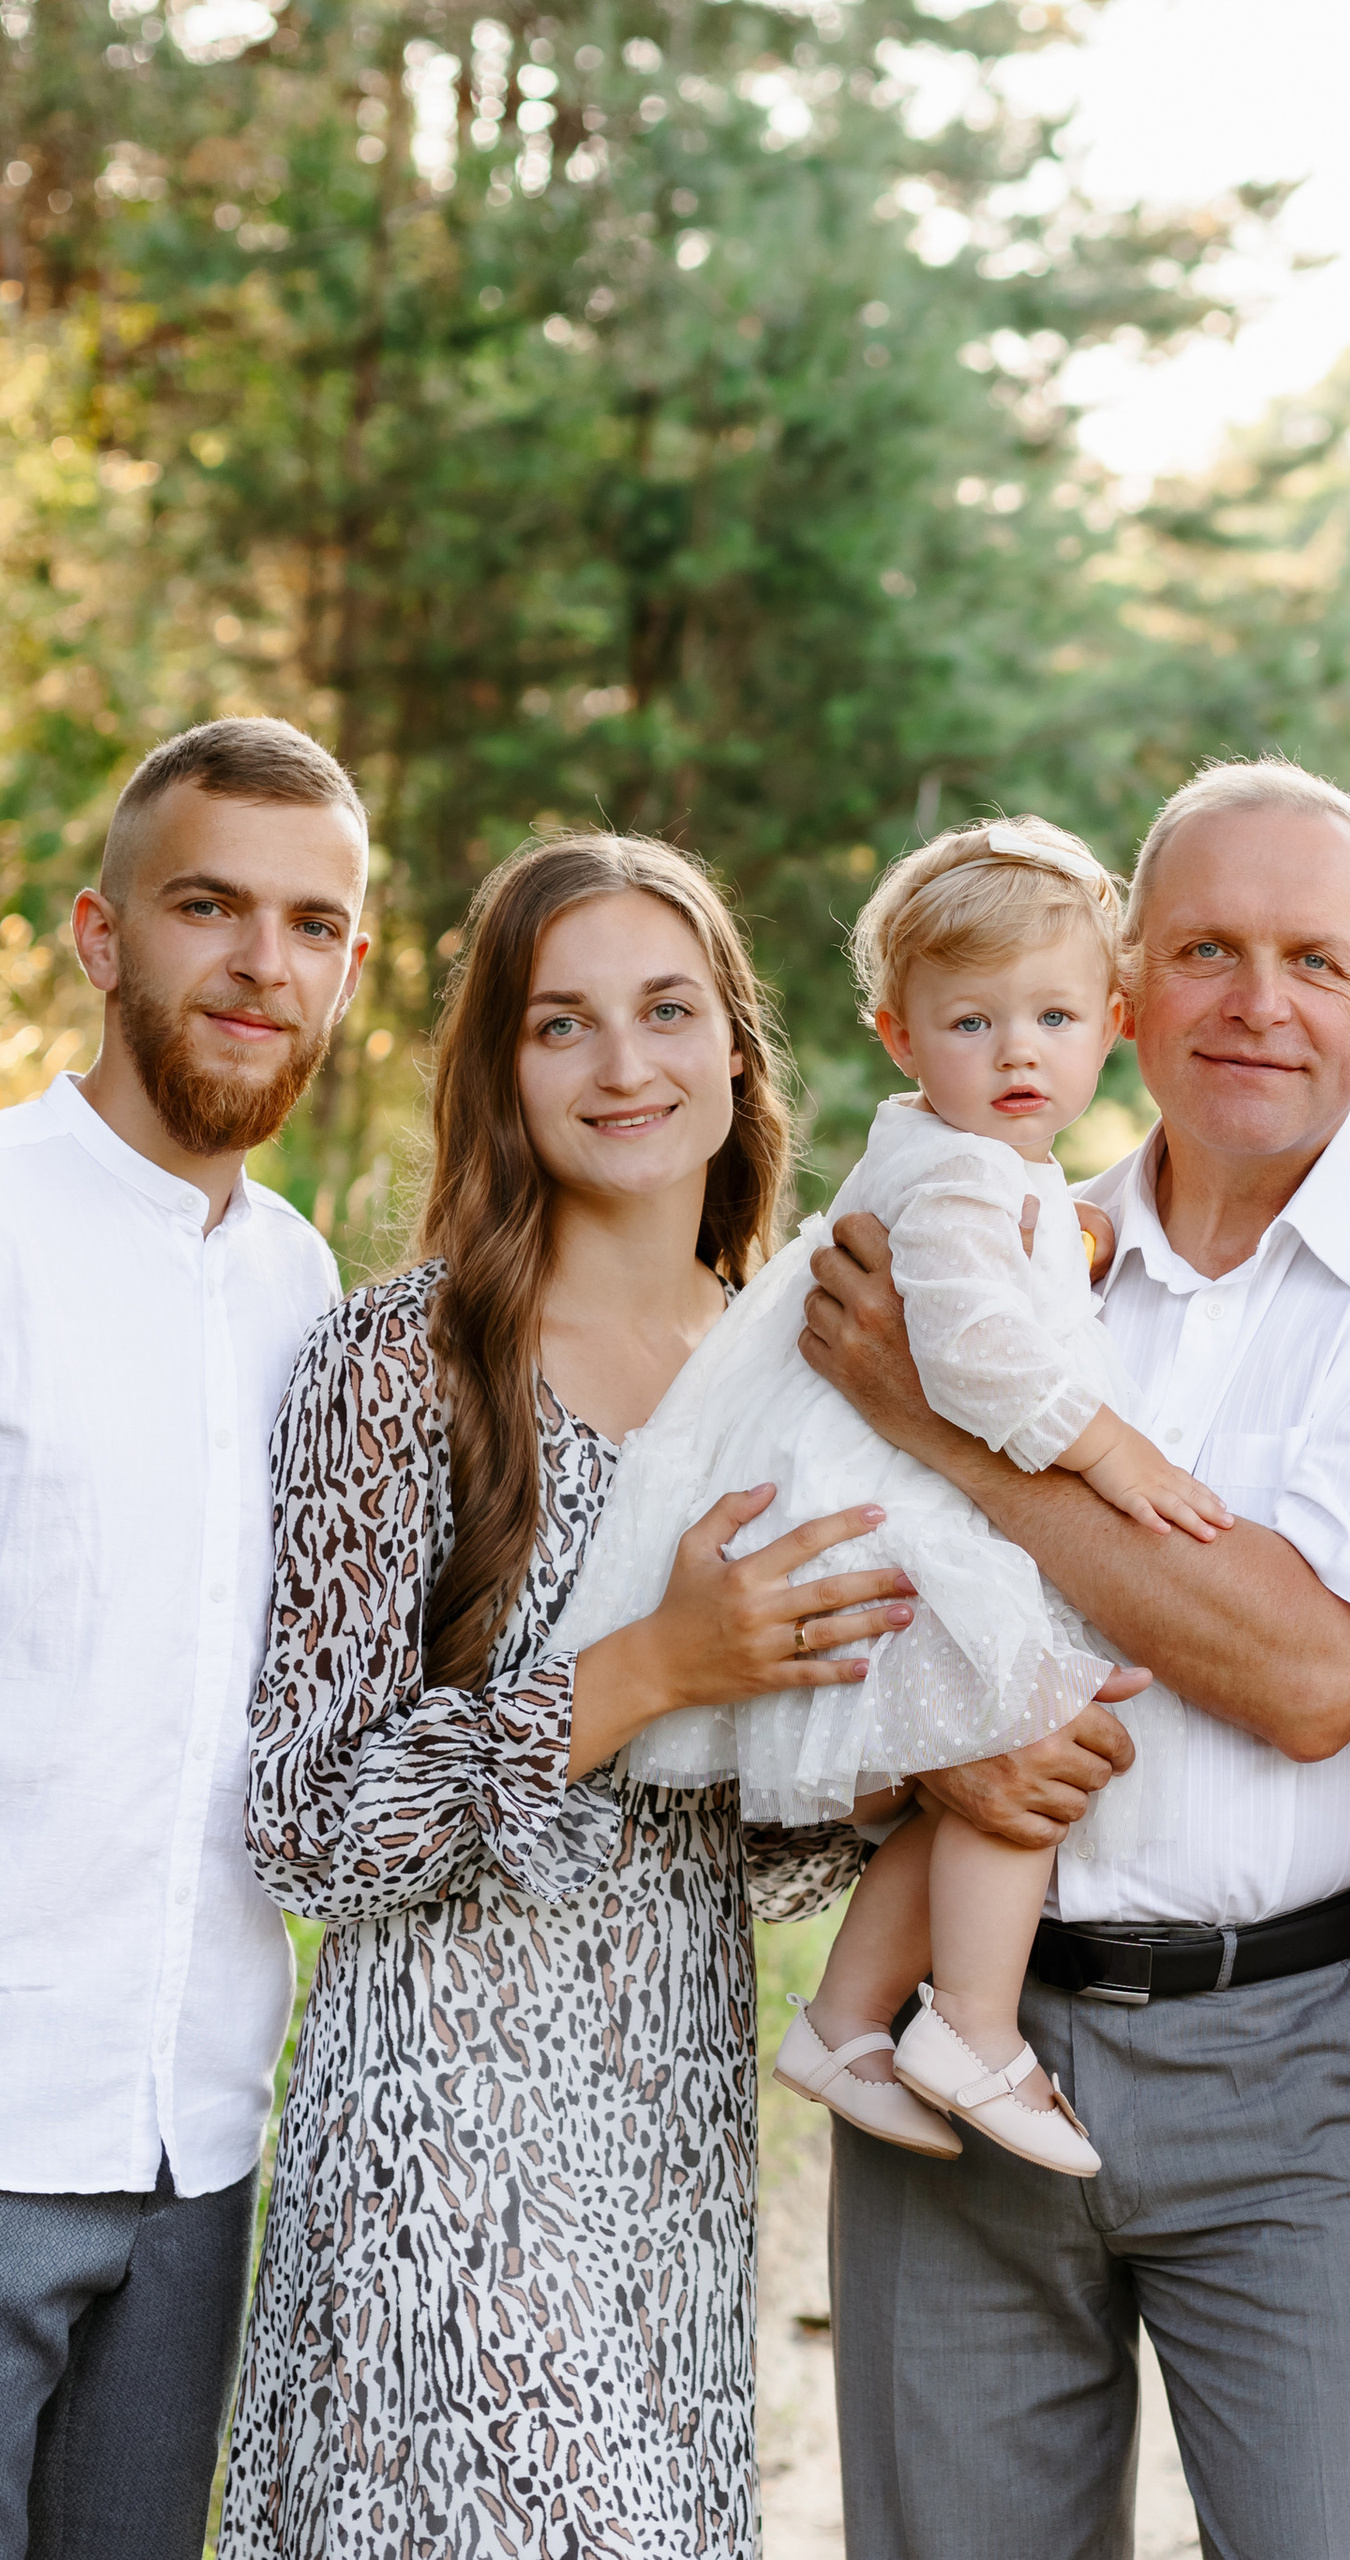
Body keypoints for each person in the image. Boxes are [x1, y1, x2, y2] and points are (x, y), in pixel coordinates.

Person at [798, 759, 1350, 2560]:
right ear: (1130, 983)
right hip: (959, 2057)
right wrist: (926, 1759)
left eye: (1315, 960)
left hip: (1287, 2063)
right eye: (1209, 951)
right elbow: (825, 1602)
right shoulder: (993, 1250)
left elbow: (1311, 1676)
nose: (1257, 1002)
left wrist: (949, 1432)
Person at [218, 835, 915, 2559]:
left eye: (667, 1011)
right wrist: (648, 1668)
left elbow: (735, 1858)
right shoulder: (399, 1362)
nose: (626, 1066)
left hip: (670, 2143)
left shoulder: (799, 1372)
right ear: (499, 1072)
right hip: (436, 2139)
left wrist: (886, 1786)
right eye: (563, 1025)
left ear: (736, 1051)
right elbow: (308, 1829)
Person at [553, 817, 1197, 2182]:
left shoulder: (986, 1172)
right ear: (899, 1037)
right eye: (973, 1022)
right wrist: (1110, 1451)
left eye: (1054, 1016)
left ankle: (850, 2022)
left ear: (1113, 1024)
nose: (1018, 1051)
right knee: (1024, 1741)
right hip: (900, 1516)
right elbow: (965, 1358)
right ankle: (968, 2023)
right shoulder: (962, 1175)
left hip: (894, 1504)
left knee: (972, 1781)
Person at [0, 720, 370, 2560]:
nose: (261, 964)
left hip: (201, 2145)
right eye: (209, 907)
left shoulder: (307, 1287)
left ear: (352, 968)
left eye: (312, 924)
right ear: (98, 934)